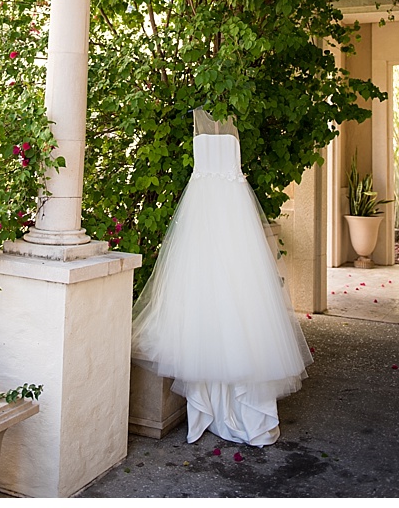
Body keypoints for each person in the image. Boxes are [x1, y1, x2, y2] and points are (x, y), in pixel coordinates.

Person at [131, 107, 312, 446]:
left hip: (230, 220)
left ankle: (230, 408)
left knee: (237, 305)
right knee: (209, 306)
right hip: (206, 220)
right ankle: (210, 408)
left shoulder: (227, 123)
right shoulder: (200, 121)